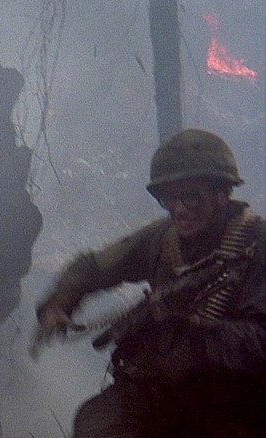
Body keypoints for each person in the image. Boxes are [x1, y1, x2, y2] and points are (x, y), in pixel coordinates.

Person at [33, 128, 266, 437]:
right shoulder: (164, 238)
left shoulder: (256, 246)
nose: (179, 209)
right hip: (163, 390)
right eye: (169, 198)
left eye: (191, 197)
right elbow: (93, 267)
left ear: (222, 193)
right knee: (98, 423)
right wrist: (59, 303)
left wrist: (194, 329)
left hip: (235, 401)